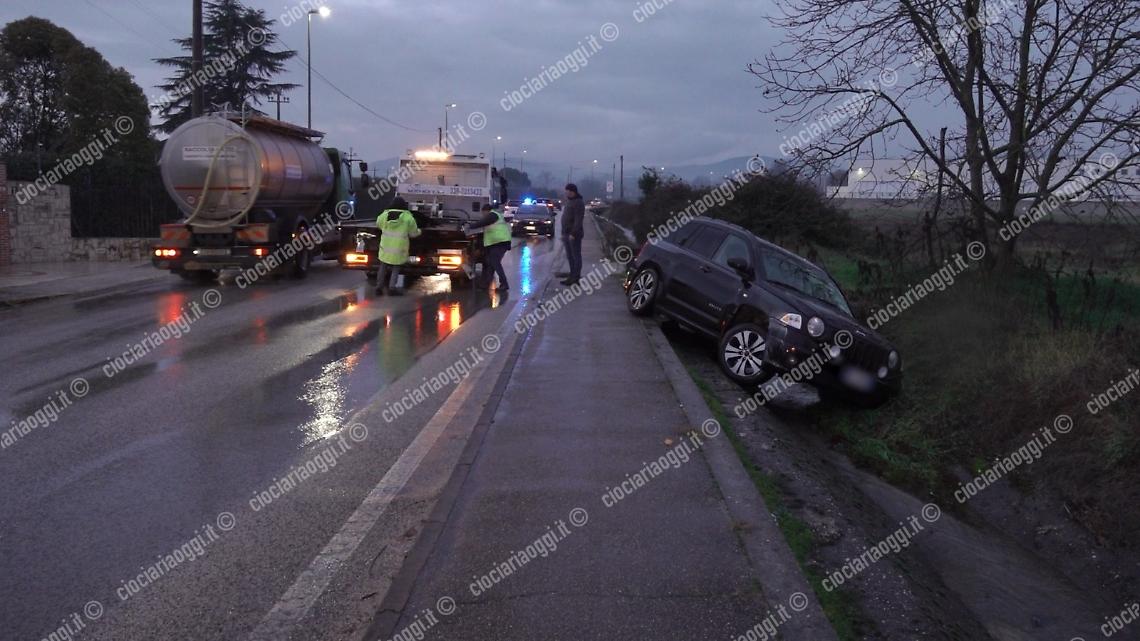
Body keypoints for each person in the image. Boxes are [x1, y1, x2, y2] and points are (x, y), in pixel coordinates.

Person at [375, 197, 421, 296]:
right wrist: (420, 232)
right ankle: (392, 288)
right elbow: (413, 234)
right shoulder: (408, 218)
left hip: (385, 247)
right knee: (396, 268)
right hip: (399, 248)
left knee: (383, 266)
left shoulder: (384, 215)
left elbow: (378, 224)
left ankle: (379, 287)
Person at [466, 203, 512, 291]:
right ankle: (485, 284)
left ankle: (504, 284)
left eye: (483, 213)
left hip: (500, 243)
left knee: (495, 263)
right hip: (497, 243)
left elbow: (482, 222)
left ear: (486, 211)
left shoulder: (493, 215)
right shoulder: (494, 216)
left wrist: (470, 226)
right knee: (490, 263)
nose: (483, 215)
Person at [559, 183, 585, 286]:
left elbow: (578, 219)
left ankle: (576, 277)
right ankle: (572, 275)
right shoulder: (569, 201)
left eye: (568, 191)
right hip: (566, 233)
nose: (566, 193)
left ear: (572, 191)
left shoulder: (578, 202)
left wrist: (573, 233)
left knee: (575, 256)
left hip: (573, 235)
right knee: (570, 256)